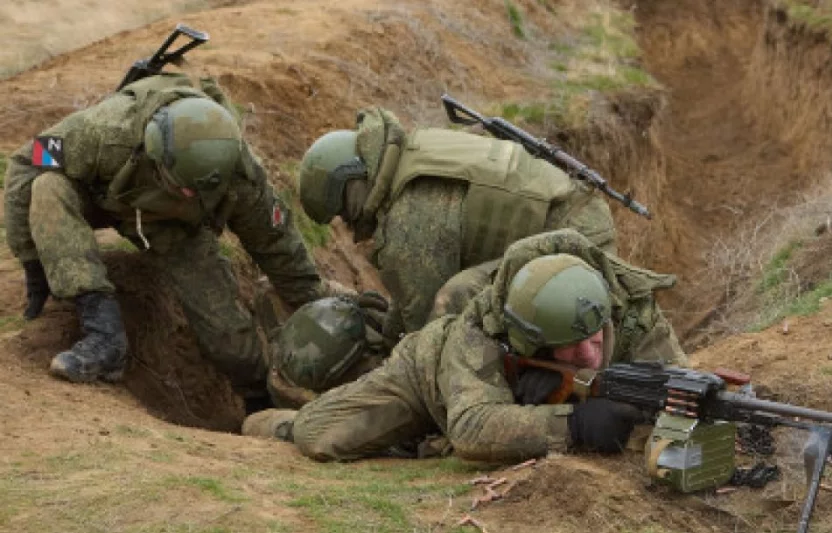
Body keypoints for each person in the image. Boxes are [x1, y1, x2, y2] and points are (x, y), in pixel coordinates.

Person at [3, 73, 326, 400]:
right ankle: (104, 337)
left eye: (195, 191)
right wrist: (32, 259)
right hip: (104, 197)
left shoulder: (239, 174)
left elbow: (276, 242)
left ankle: (260, 397)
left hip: (176, 230)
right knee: (47, 185)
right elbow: (25, 162)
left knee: (228, 339)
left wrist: (314, 304)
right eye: (182, 187)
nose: (187, 193)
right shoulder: (101, 134)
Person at [243, 228, 686, 463]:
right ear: (527, 339)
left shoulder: (633, 309)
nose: (590, 355)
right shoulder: (482, 327)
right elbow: (473, 428)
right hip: (427, 381)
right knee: (318, 437)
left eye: (595, 339)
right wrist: (575, 425)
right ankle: (270, 421)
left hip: (487, 398)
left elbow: (679, 382)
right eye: (571, 348)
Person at [296, 107, 618, 343]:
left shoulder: (409, 219)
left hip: (575, 242)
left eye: (342, 211)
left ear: (352, 183)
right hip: (576, 212)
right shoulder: (413, 150)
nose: (348, 224)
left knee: (454, 299)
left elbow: (424, 325)